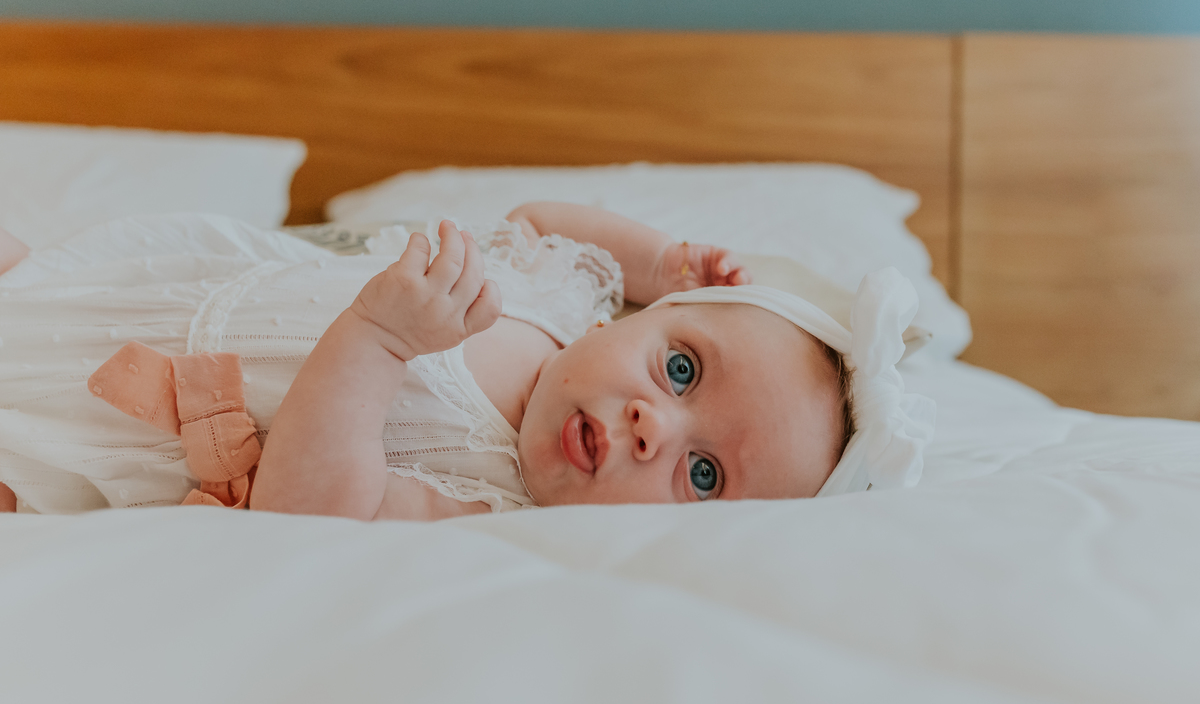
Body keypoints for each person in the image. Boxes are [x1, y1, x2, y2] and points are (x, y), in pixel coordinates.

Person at [0, 202, 931, 518]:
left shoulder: (490, 495)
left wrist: (380, 339)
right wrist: (659, 260)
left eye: (702, 472)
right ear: (640, 317)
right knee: (27, 270)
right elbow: (535, 222)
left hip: (123, 425)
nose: (656, 423)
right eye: (680, 369)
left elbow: (316, 510)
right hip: (168, 298)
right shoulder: (551, 299)